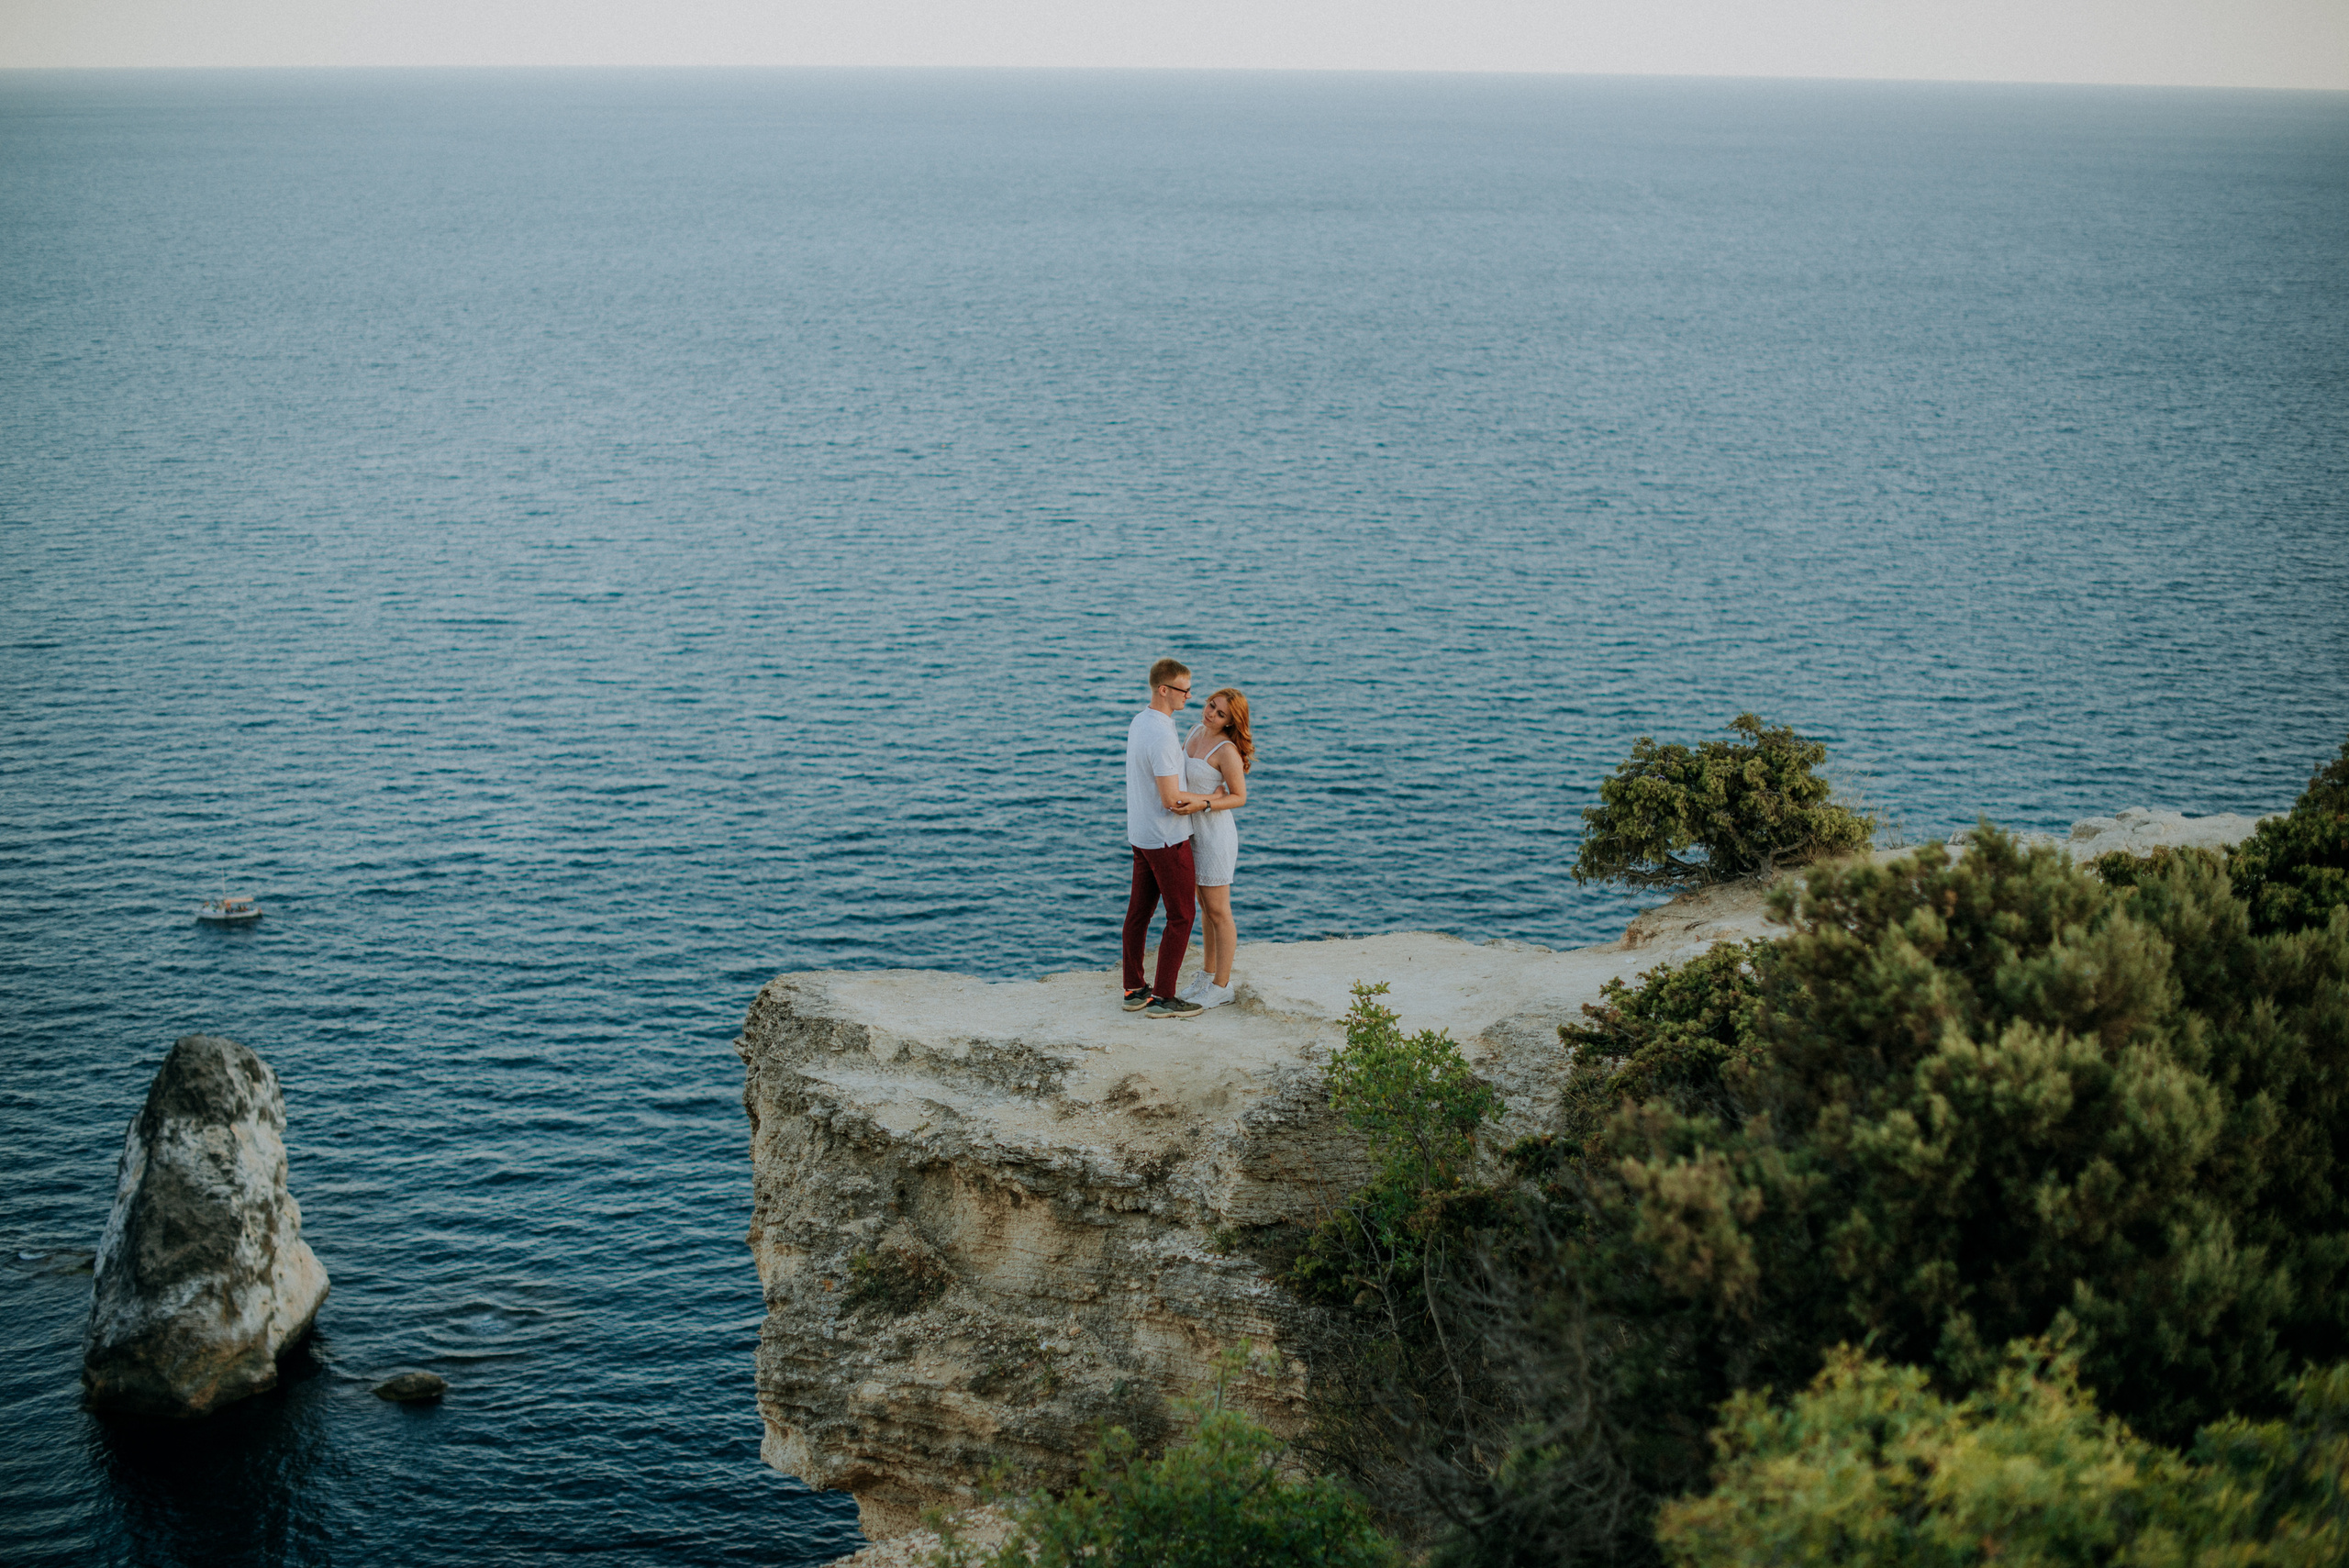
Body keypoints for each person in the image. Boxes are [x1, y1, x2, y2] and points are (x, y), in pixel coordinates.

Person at [1123, 658, 1213, 1018]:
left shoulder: (1140, 721)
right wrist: (1208, 802)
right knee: (1182, 915)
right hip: (1166, 837)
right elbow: (1170, 799)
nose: (1190, 696)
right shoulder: (1162, 732)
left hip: (1141, 834)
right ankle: (1163, 997)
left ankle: (1133, 990)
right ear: (1164, 689)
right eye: (1184, 690)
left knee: (1139, 912)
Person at [1178, 688, 1252, 1009]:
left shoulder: (1227, 751)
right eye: (1211, 706)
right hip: (1191, 833)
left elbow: (1239, 796)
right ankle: (1208, 974)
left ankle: (1222, 986)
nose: (1210, 714)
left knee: (1220, 912)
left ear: (1230, 722)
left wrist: (1204, 803)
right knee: (1205, 910)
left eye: (1220, 714)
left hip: (1214, 836)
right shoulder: (1194, 731)